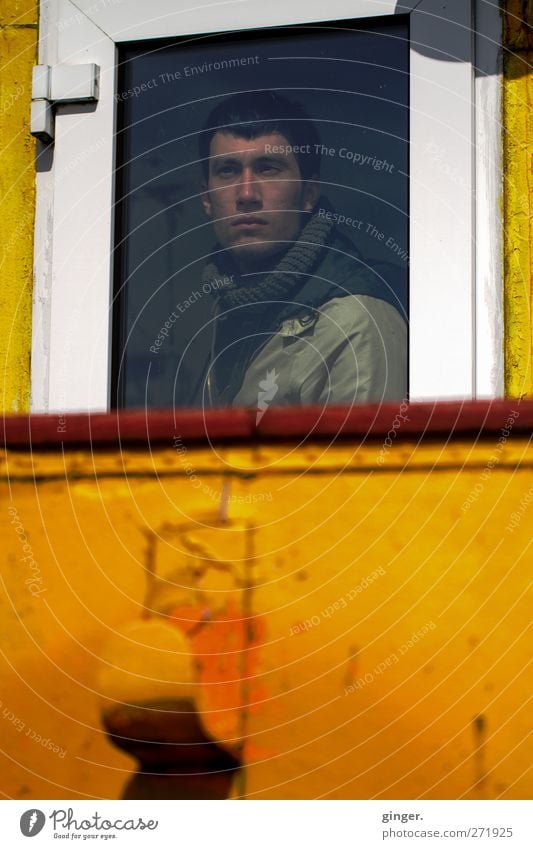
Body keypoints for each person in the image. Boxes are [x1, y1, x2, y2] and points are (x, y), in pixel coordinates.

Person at [184, 91, 407, 411]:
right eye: (228, 170)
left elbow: (359, 461)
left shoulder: (353, 319)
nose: (247, 193)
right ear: (206, 198)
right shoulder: (225, 304)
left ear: (309, 193)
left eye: (268, 168)